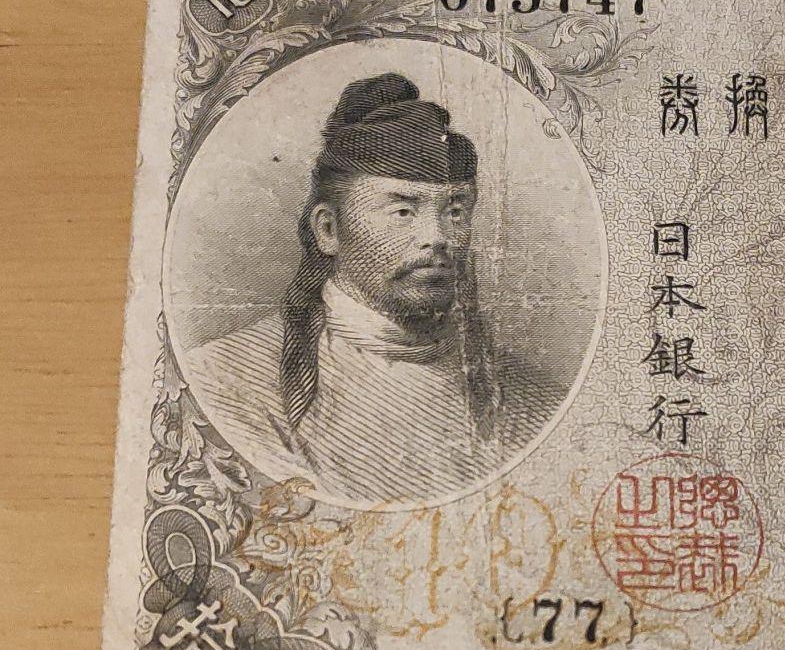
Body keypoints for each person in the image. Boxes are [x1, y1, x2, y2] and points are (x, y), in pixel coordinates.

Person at [187, 73, 566, 505]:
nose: (438, 237)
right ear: (329, 230)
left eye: (455, 211)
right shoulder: (226, 382)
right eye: (403, 211)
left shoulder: (534, 397)